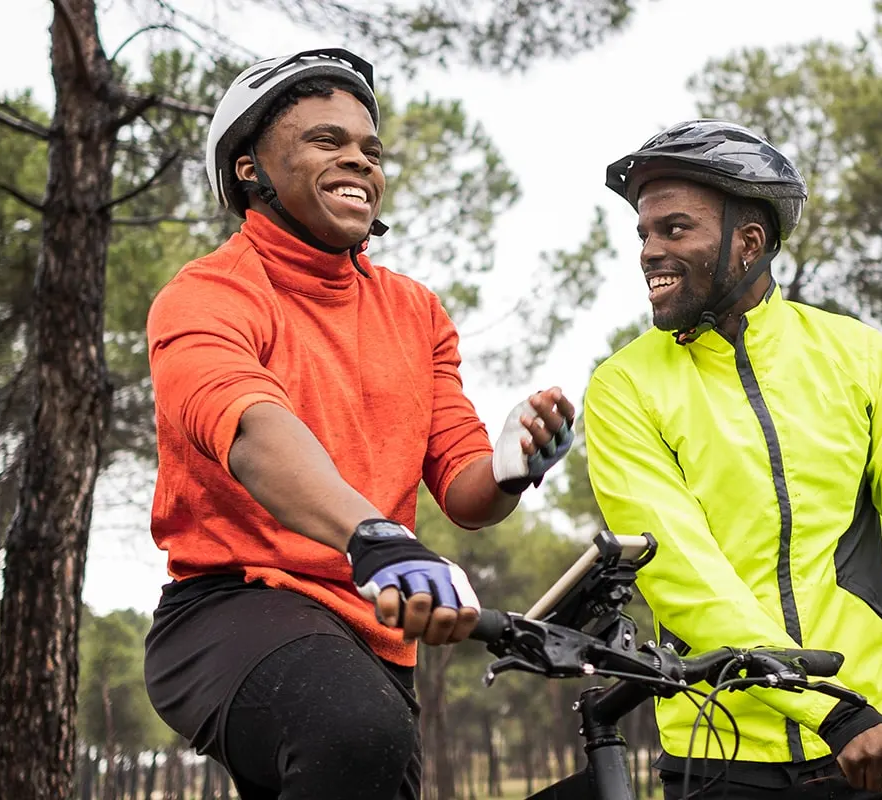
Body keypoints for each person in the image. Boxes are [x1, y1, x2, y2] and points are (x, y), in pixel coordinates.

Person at [141, 47, 577, 800]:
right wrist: (374, 535)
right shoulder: (206, 296)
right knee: (355, 730)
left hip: (374, 633)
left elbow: (466, 494)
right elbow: (252, 432)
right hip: (229, 608)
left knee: (365, 740)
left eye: (371, 151)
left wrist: (511, 466)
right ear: (250, 169)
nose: (359, 161)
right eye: (326, 141)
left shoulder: (415, 311)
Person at [582, 120, 882, 799]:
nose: (650, 251)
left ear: (749, 242)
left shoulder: (858, 354)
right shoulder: (624, 385)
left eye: (675, 229)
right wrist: (833, 711)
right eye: (644, 234)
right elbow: (684, 577)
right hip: (728, 757)